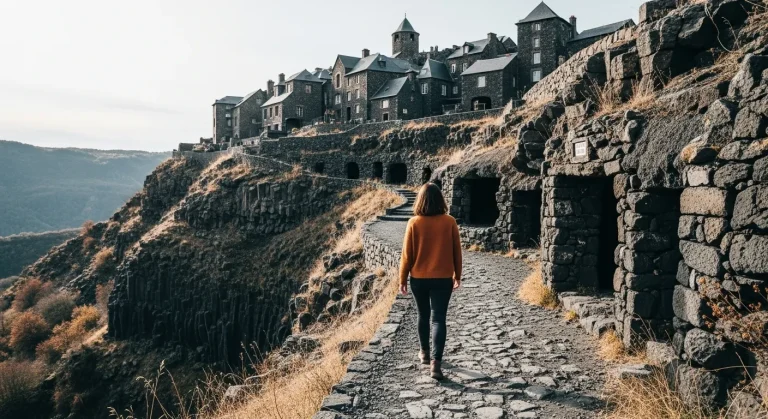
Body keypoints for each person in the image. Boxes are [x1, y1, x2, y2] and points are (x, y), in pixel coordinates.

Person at [398, 183, 462, 380]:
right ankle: (436, 363)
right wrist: (457, 275)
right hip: (443, 278)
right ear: (441, 200)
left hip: (419, 278)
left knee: (423, 315)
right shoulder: (450, 222)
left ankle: (424, 353)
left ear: (420, 200)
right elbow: (456, 252)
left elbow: (407, 255)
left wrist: (402, 278)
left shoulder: (414, 223)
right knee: (439, 318)